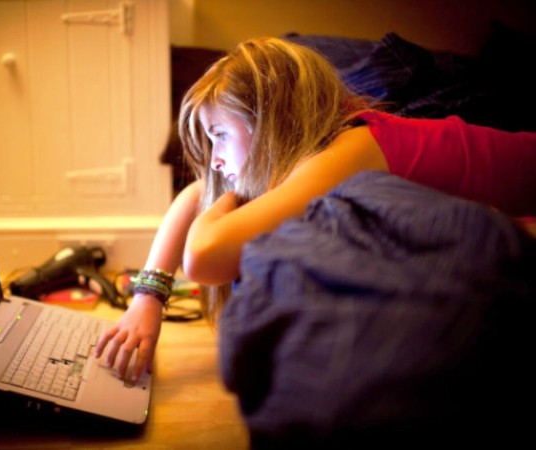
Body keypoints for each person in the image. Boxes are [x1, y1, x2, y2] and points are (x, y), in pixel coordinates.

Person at [94, 36, 536, 383]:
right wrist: (146, 299)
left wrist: (225, 199)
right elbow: (193, 197)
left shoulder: (350, 151)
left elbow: (205, 255)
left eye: (221, 136)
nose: (214, 161)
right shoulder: (331, 148)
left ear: (269, 121)